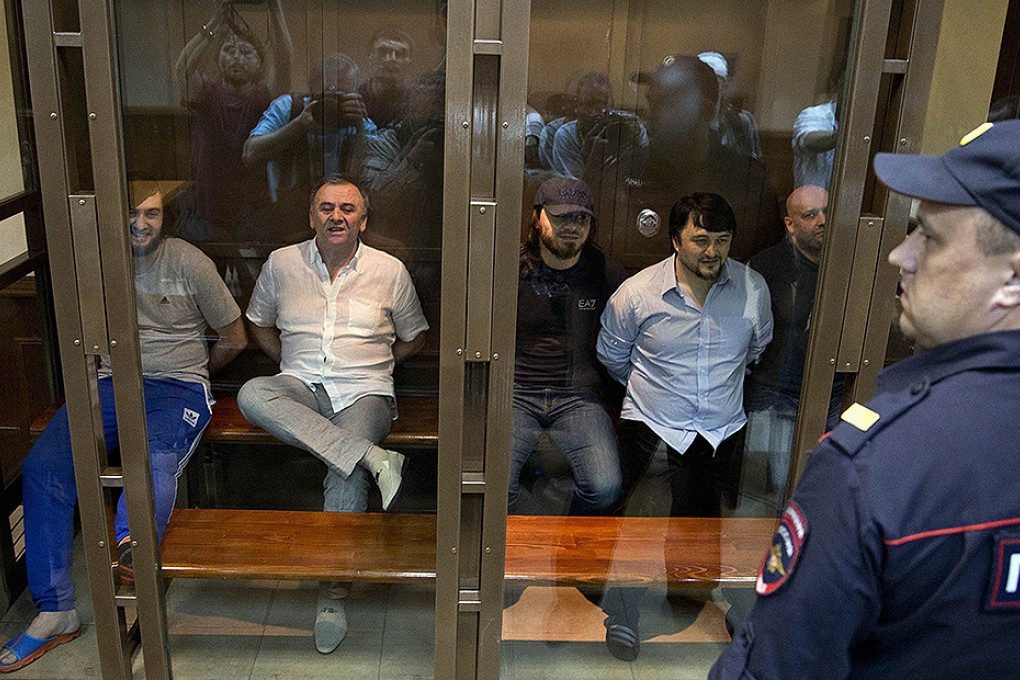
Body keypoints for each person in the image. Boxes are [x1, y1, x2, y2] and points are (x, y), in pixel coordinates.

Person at [710, 119, 1020, 679]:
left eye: (929, 235)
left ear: (1012, 279)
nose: (901, 255)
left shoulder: (879, 467)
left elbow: (779, 668)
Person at [0, 178, 246, 673]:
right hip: (111, 384)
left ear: (165, 217)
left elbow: (234, 337)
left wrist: (193, 373)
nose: (139, 224)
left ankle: (131, 555)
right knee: (44, 468)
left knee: (151, 459)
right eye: (131, 213)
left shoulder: (188, 261)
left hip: (176, 386)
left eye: (151, 214)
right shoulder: (95, 262)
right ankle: (55, 611)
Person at [237, 174, 428, 655]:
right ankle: (373, 456)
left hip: (365, 392)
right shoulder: (283, 264)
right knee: (254, 394)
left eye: (347, 208)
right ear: (311, 216)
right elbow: (258, 322)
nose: (336, 216)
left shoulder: (390, 270)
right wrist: (288, 365)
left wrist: (380, 366)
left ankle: (331, 596)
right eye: (326, 208)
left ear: (363, 219)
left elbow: (415, 336)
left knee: (343, 475)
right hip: (299, 384)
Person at [595, 192, 772, 660]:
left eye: (721, 239)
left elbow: (757, 350)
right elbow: (612, 355)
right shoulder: (637, 292)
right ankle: (624, 612)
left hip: (720, 426)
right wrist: (654, 393)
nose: (711, 251)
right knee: (639, 526)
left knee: (710, 528)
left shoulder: (754, 289)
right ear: (675, 240)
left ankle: (694, 595)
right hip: (654, 423)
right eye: (699, 240)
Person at [509, 177, 628, 515]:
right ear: (537, 217)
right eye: (561, 217)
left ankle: (562, 533)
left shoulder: (605, 272)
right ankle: (541, 537)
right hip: (516, 393)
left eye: (581, 219)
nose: (572, 227)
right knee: (493, 487)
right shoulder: (512, 270)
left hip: (577, 396)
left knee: (606, 489)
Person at [593, 55, 781, 263]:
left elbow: (762, 264)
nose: (650, 113)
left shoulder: (747, 180)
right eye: (652, 102)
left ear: (707, 111)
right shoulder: (624, 173)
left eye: (666, 103)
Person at [745, 185, 843, 496]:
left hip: (835, 391)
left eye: (828, 212)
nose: (823, 220)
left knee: (838, 482)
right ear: (790, 224)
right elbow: (747, 340)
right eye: (811, 214)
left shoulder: (849, 264)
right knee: (783, 485)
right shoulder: (765, 267)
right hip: (776, 390)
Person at [173, 0, 291, 247]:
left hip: (253, 211)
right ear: (218, 60)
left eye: (247, 53)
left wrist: (274, 7)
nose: (237, 57)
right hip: (206, 210)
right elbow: (182, 68)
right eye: (229, 51)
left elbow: (284, 57)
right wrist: (214, 23)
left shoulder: (264, 97)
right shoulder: (206, 93)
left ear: (259, 62)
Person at [243, 54, 377, 241]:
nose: (333, 105)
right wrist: (298, 125)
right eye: (327, 96)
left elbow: (373, 170)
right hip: (286, 222)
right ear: (312, 88)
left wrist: (360, 126)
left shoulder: (357, 120)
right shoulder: (289, 108)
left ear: (354, 92)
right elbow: (250, 153)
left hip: (341, 222)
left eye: (341, 96)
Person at [358, 27, 413, 130]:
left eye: (400, 54)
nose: (392, 59)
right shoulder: (357, 99)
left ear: (408, 63)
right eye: (383, 52)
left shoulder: (415, 105)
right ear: (369, 58)